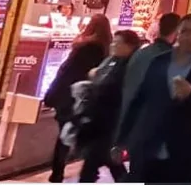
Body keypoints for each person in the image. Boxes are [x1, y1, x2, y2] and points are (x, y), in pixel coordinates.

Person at [116, 13, 191, 183]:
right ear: (177, 32)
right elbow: (139, 100)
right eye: (185, 31)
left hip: (186, 147)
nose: (189, 36)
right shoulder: (160, 61)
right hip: (149, 143)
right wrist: (121, 140)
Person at [44, 14, 112, 183]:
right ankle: (87, 167)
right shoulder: (104, 50)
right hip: (85, 99)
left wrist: (51, 95)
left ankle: (57, 173)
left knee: (64, 136)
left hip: (68, 96)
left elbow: (65, 73)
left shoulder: (84, 47)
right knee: (76, 135)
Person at [75, 29, 141, 182]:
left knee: (93, 165)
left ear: (130, 46)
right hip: (100, 124)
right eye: (113, 42)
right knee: (111, 164)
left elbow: (114, 90)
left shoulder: (131, 67)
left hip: (112, 125)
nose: (113, 45)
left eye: (118, 43)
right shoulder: (112, 61)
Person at [118, 12, 181, 139]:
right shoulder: (171, 59)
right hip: (153, 129)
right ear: (177, 33)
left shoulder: (140, 53)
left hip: (131, 123)